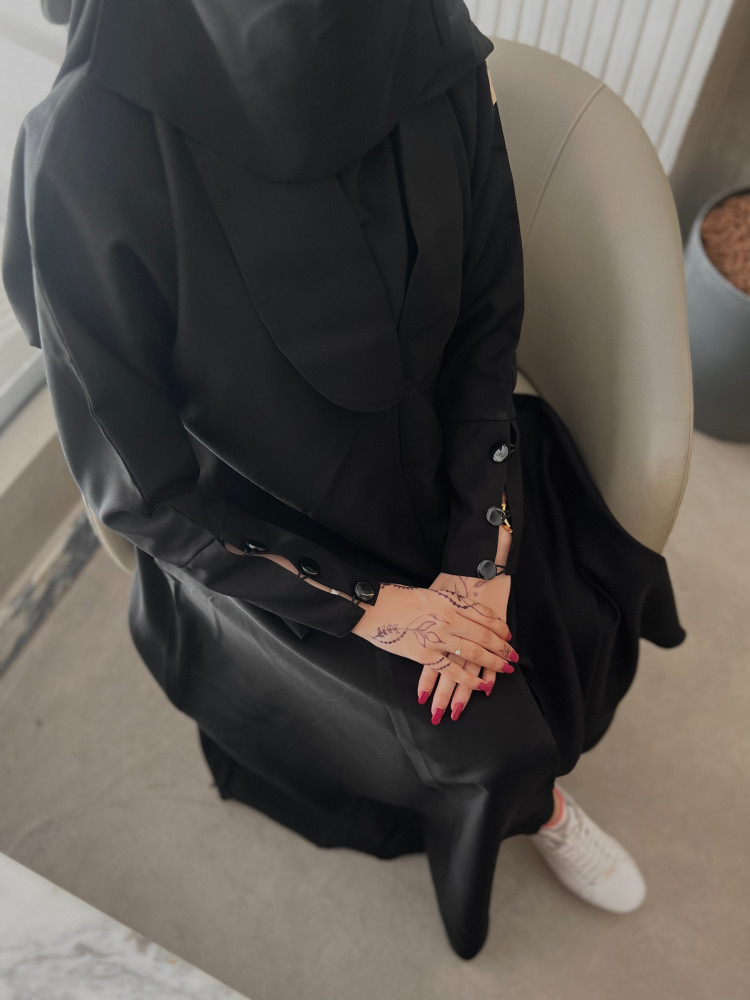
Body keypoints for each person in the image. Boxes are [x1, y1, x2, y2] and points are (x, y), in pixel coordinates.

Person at [2, 0, 686, 960]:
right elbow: (139, 489)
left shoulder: (425, 35)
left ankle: (528, 787)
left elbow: (487, 320)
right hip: (262, 538)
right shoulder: (86, 148)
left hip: (453, 462)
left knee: (548, 634)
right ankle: (535, 807)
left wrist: (479, 556)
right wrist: (374, 609)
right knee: (481, 733)